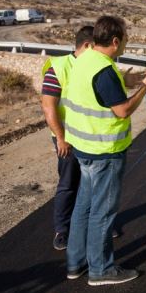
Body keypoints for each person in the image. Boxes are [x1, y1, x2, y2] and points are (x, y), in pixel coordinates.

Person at [64, 16, 146, 286]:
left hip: (83, 147)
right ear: (116, 41)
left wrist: (130, 79)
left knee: (83, 206)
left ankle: (76, 262)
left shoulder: (85, 59)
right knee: (103, 212)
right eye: (126, 39)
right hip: (103, 150)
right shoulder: (104, 70)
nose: (126, 43)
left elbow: (107, 88)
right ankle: (101, 269)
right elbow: (122, 109)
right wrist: (145, 88)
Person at [41, 25, 94, 251]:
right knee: (69, 183)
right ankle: (62, 230)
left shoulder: (94, 65)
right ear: (88, 45)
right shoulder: (59, 66)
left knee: (92, 183)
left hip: (92, 135)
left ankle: (93, 224)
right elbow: (48, 106)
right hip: (69, 138)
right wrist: (61, 138)